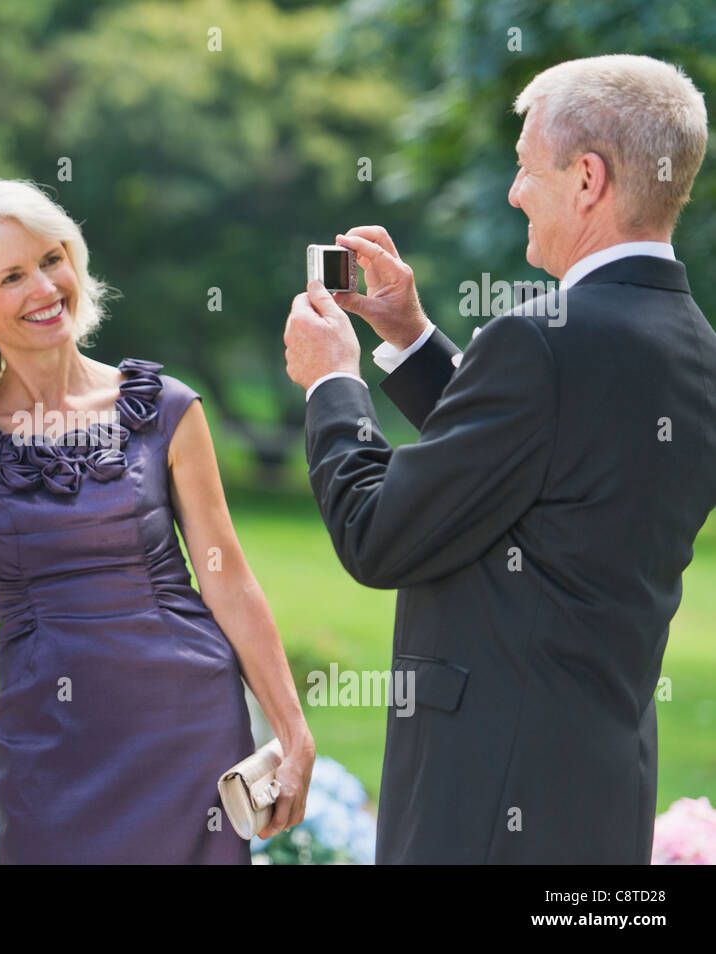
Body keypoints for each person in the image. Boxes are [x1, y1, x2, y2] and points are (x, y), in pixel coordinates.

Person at [283, 54, 716, 863]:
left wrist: (331, 384)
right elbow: (535, 462)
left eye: (525, 168)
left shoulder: (542, 339)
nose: (517, 192)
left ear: (586, 180)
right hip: (600, 794)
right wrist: (409, 335)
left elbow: (378, 535)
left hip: (483, 799)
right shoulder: (694, 349)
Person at [0, 179, 315, 864]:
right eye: (11, 276)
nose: (45, 288)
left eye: (52, 259)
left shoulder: (164, 409)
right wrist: (16, 573)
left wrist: (292, 728)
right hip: (47, 739)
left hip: (186, 723)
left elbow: (228, 578)